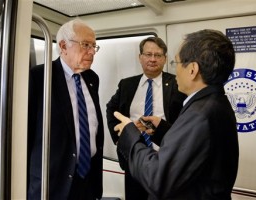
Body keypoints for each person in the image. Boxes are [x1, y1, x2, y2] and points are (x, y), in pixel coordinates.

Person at [113, 29, 239, 200]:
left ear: (193, 69)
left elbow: (158, 179)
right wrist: (162, 130)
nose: (175, 69)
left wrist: (130, 135)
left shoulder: (200, 114)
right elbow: (194, 149)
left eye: (176, 62)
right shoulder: (215, 103)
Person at [27, 18, 104, 200]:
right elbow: (26, 135)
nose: (92, 51)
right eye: (86, 45)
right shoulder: (39, 77)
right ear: (63, 46)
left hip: (88, 179)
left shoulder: (92, 78)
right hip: (53, 183)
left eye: (94, 46)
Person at [106, 36, 186, 200]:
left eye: (158, 55)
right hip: (133, 158)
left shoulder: (177, 84)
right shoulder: (126, 84)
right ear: (140, 57)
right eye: (148, 54)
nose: (152, 59)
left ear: (164, 59)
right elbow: (111, 109)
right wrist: (119, 139)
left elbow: (184, 120)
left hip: (165, 159)